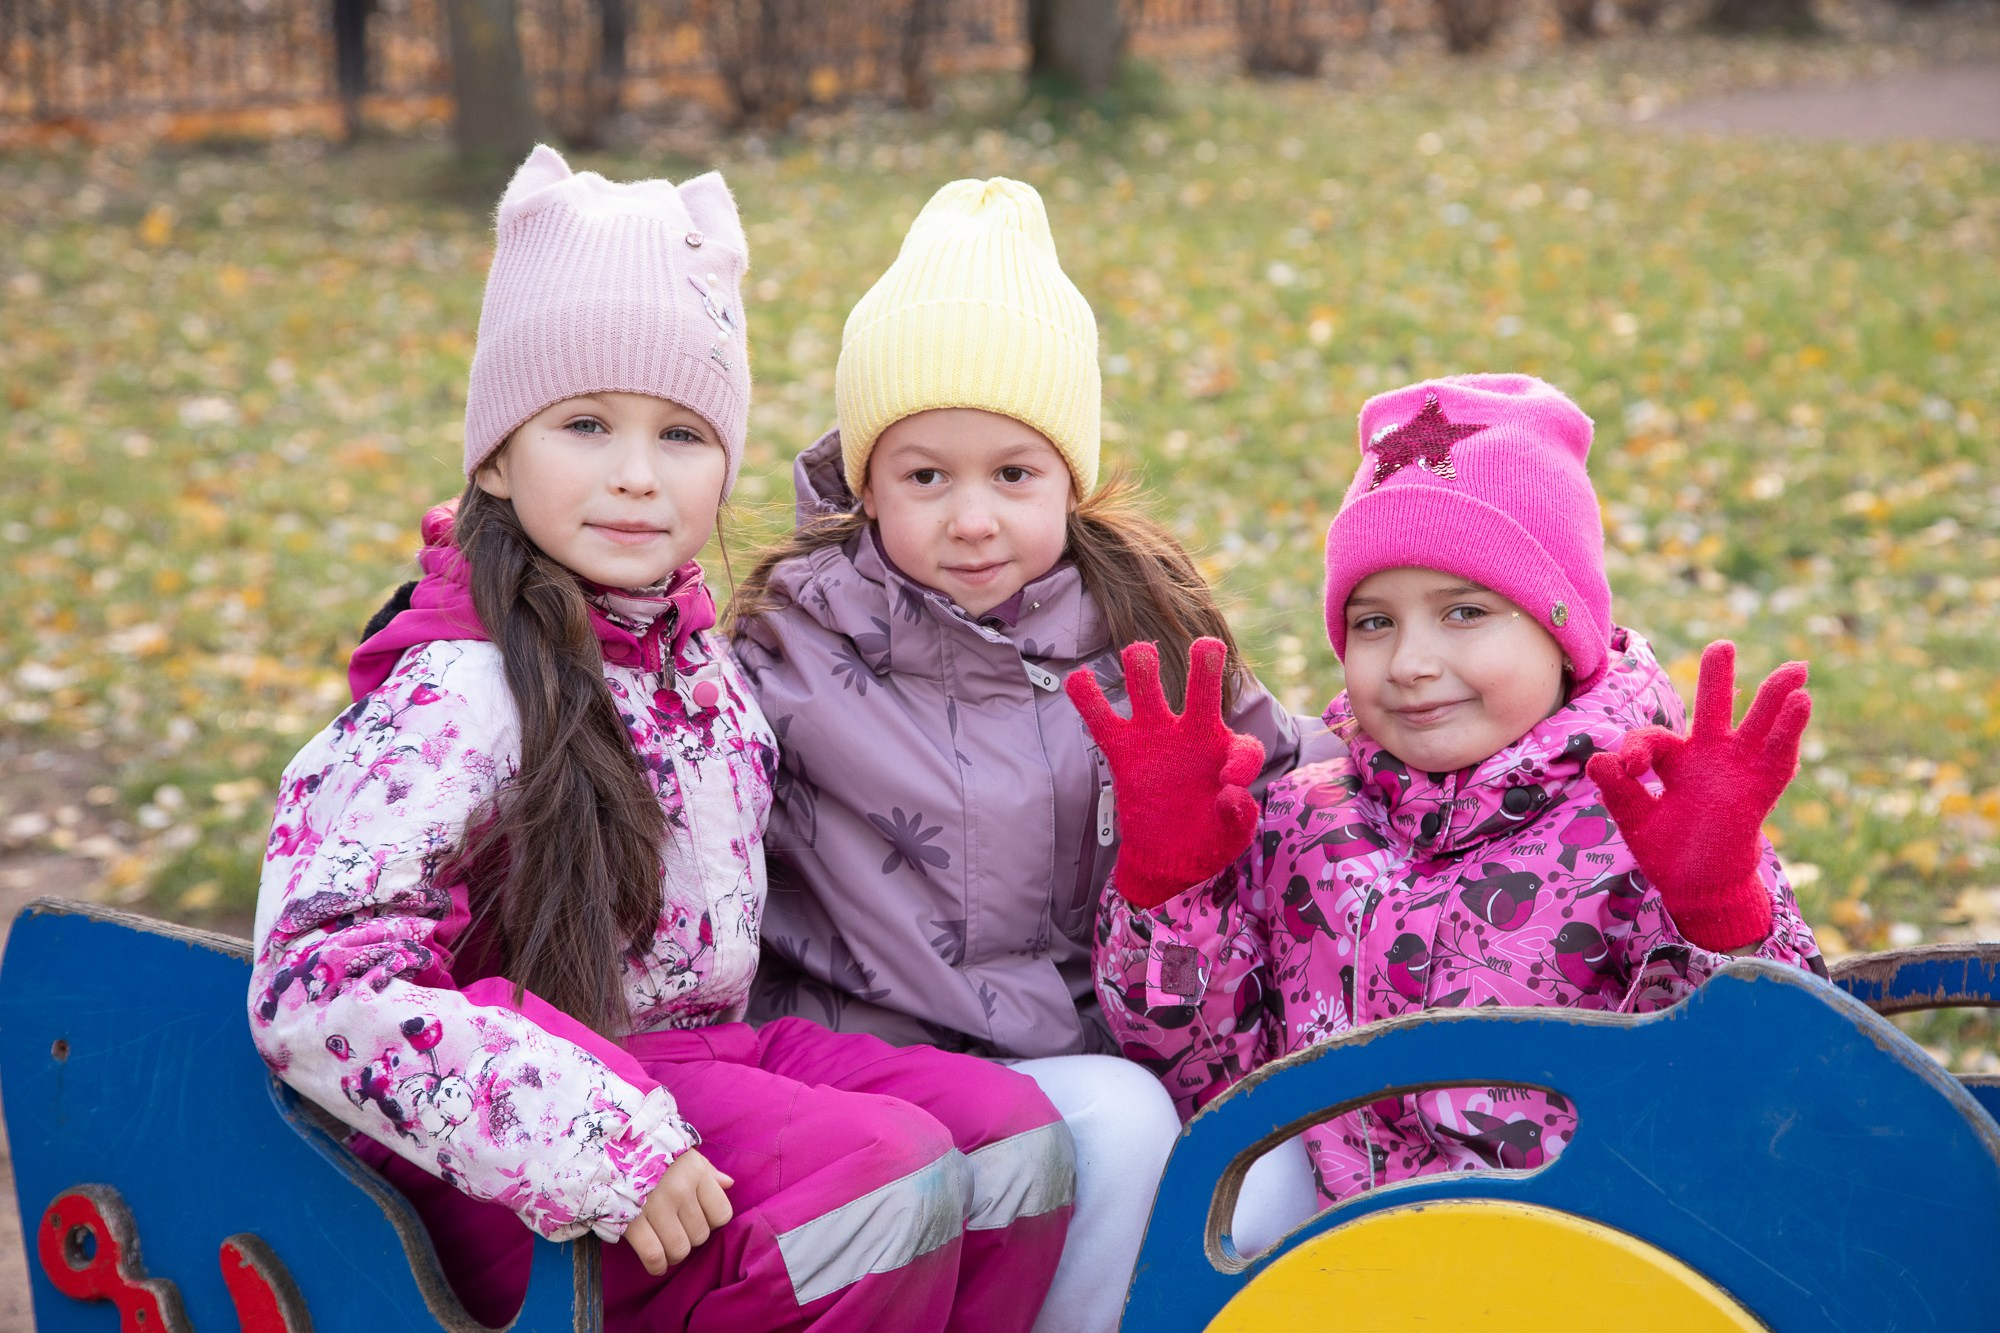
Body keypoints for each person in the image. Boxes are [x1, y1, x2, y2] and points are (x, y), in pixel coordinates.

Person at [249, 146, 1072, 1332]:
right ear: (497, 454)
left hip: (694, 1066)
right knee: (876, 1181)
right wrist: (599, 1138)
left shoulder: (698, 669)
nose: (637, 477)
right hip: (509, 1160)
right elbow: (320, 980)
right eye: (585, 424)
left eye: (682, 434)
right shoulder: (461, 687)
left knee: (1012, 1140)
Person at [728, 177, 1308, 1331]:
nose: (971, 519)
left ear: (1068, 479)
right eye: (924, 476)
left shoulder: (1140, 627)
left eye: (1012, 473)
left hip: (1106, 1047)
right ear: (864, 484)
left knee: (1259, 1156)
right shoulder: (791, 645)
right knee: (1119, 1121)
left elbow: (1284, 781)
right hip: (873, 1074)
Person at [1071, 373, 1826, 1245]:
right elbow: (1203, 1080)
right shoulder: (1301, 824)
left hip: (1584, 1262)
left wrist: (1721, 911)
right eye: (1374, 622)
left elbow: (1782, 1100)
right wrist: (1171, 889)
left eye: (1465, 611)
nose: (1411, 662)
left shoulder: (1652, 827)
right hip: (1332, 1268)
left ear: (1563, 630)